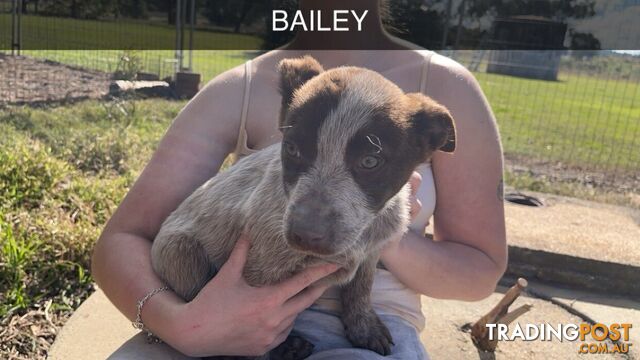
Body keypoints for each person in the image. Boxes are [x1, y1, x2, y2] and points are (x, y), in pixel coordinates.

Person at [92, 1, 507, 358]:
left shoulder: (445, 91)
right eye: (294, 149)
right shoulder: (244, 87)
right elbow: (122, 239)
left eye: (368, 163)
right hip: (209, 314)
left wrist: (386, 232)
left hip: (365, 334)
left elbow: (480, 272)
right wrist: (182, 324)